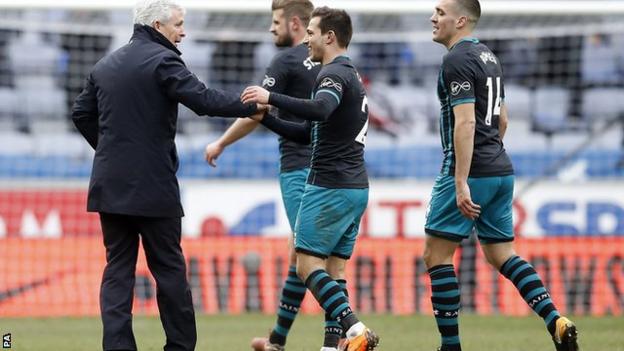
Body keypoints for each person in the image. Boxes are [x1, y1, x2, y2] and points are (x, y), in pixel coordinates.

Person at [71, 1, 261, 350]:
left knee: (117, 271)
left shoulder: (105, 65)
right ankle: (179, 346)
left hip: (110, 185)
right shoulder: (164, 61)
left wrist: (112, 151)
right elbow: (203, 101)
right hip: (153, 187)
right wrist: (252, 105)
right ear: (158, 24)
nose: (183, 31)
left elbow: (81, 113)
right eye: (179, 24)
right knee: (169, 270)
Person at [424, 1, 579, 351]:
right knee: (501, 254)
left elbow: (465, 122)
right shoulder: (488, 57)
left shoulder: (456, 60)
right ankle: (556, 320)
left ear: (461, 20)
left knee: (436, 255)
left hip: (470, 169)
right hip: (500, 168)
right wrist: (489, 155)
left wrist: (462, 179)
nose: (433, 18)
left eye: (440, 12)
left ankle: (451, 347)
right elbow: (503, 119)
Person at [204, 2, 340, 351]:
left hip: (299, 167)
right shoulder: (336, 65)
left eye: (276, 21)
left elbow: (256, 111)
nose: (271, 28)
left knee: (308, 256)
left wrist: (220, 142)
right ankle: (286, 340)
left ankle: (348, 330)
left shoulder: (287, 62)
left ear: (295, 23)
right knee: (314, 256)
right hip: (338, 168)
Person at [241, 7, 379, 351]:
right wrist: (266, 119)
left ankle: (355, 329)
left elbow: (319, 109)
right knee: (334, 270)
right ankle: (331, 347)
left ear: (329, 37)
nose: (307, 41)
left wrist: (270, 97)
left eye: (313, 33)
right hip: (356, 187)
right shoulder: (351, 74)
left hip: (329, 185)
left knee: (305, 264)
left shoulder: (331, 74)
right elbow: (307, 132)